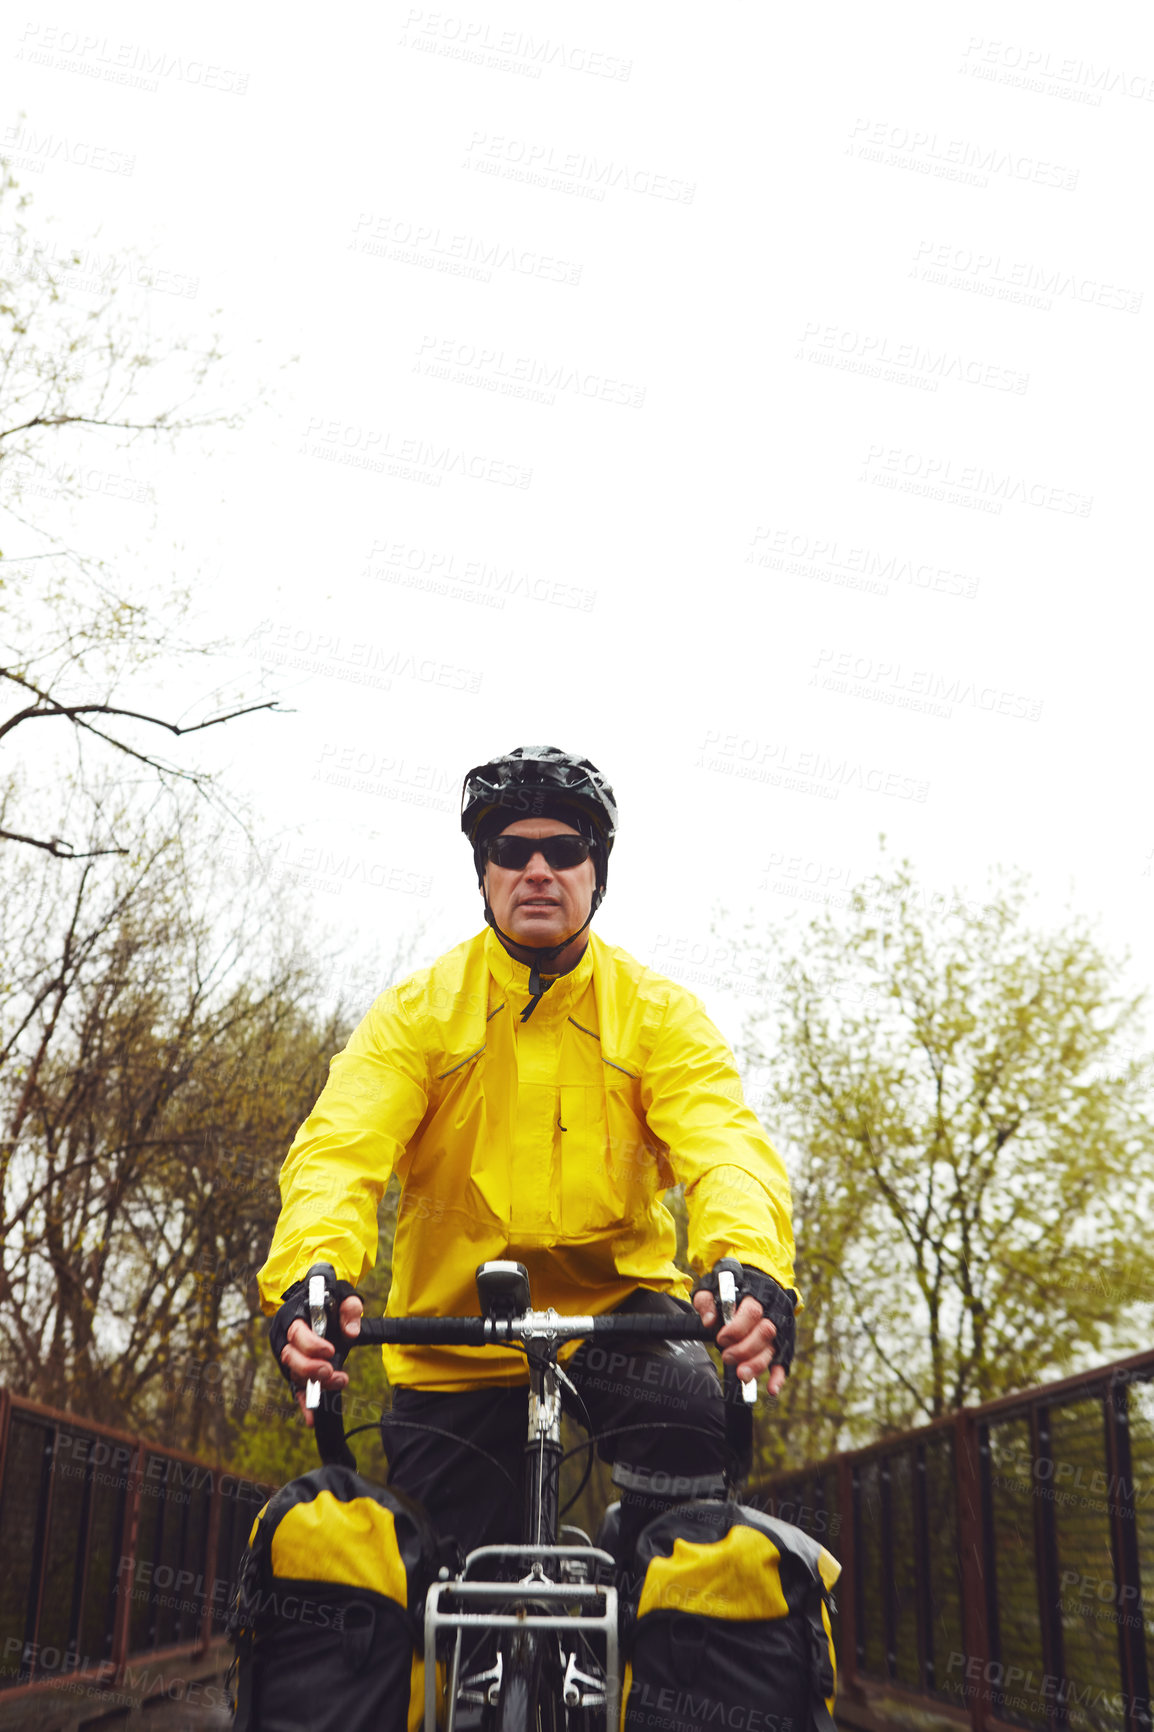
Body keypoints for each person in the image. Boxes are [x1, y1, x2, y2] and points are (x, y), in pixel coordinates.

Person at [261, 746, 799, 1560]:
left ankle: (656, 1616)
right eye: (512, 851)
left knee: (692, 1426)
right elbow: (338, 1151)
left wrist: (749, 1272)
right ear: (484, 875)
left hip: (615, 1321)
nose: (538, 869)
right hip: (453, 1338)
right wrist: (311, 1279)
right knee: (456, 1594)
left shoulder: (658, 1014)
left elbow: (725, 1147)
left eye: (565, 850)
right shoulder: (417, 1013)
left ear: (597, 873)